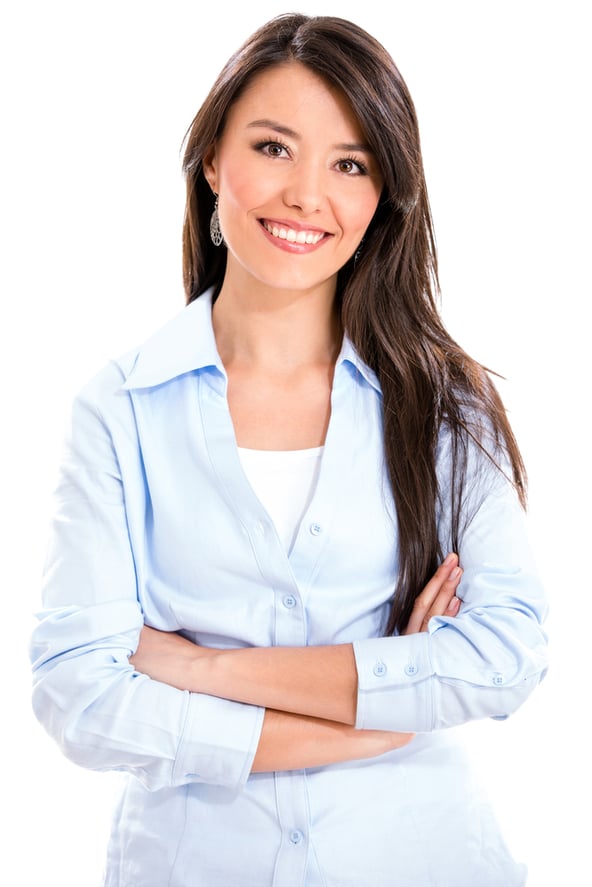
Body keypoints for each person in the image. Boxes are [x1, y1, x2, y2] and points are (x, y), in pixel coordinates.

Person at [29, 12, 548, 887]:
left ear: (383, 197)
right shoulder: (120, 408)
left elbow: (504, 657)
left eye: (351, 164)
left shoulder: (446, 404)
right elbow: (79, 697)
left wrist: (198, 668)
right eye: (274, 148)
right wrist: (386, 711)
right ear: (211, 161)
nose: (309, 195)